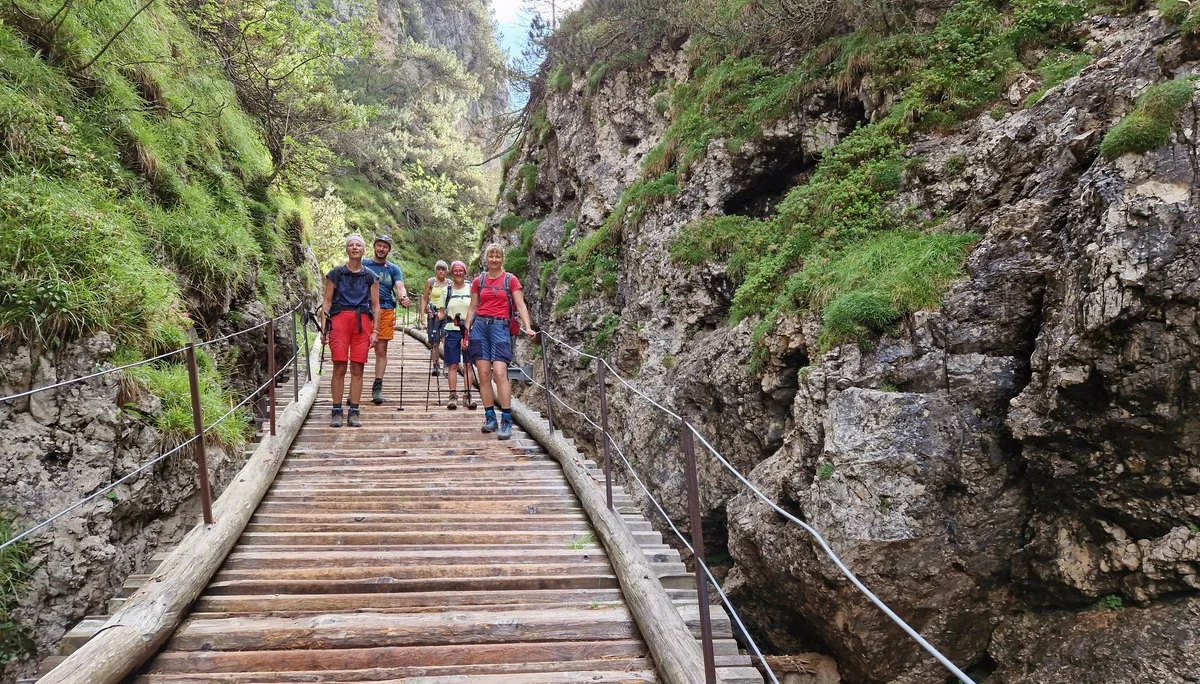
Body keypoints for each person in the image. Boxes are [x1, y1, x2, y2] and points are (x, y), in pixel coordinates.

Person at [466, 243, 535, 440]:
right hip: (480, 327)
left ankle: (506, 419)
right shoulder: (479, 281)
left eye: (497, 256)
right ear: (486, 259)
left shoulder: (510, 280)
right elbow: (473, 307)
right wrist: (467, 331)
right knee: (484, 374)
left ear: (502, 259)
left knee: (499, 373)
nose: (494, 260)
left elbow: (520, 304)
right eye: (491, 256)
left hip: (500, 328)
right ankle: (490, 417)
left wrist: (528, 326)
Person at [320, 234, 381, 428]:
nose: (355, 248)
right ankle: (336, 410)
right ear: (347, 249)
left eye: (358, 245)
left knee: (357, 368)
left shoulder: (371, 276)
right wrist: (324, 326)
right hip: (339, 321)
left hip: (362, 323)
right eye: (351, 245)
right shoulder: (335, 274)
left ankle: (354, 410)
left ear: (363, 250)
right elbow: (327, 302)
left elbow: (376, 306)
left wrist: (376, 331)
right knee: (339, 366)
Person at [362, 233, 411, 404]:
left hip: (386, 309)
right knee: (360, 348)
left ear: (389, 250)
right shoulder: (364, 264)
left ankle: (377, 386)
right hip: (364, 309)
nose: (381, 249)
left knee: (381, 349)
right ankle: (355, 386)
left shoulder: (393, 269)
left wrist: (403, 297)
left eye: (385, 246)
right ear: (374, 246)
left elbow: (400, 287)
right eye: (379, 245)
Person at [441, 261, 477, 410]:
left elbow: (476, 308)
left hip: (470, 329)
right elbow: (442, 312)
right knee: (453, 365)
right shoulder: (446, 290)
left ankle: (468, 396)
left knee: (468, 364)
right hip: (451, 329)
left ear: (465, 272)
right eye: (455, 270)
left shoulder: (472, 288)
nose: (458, 273)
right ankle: (452, 396)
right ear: (451, 272)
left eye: (460, 270)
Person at [420, 260, 451, 376]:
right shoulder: (431, 282)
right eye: (439, 269)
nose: (441, 271)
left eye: (443, 269)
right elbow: (425, 298)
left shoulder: (450, 283)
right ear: (435, 270)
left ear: (447, 271)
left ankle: (446, 365)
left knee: (446, 340)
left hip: (446, 314)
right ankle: (435, 365)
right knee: (434, 342)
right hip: (433, 314)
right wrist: (422, 314)